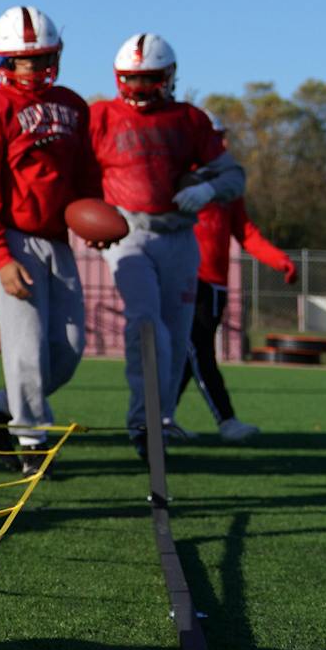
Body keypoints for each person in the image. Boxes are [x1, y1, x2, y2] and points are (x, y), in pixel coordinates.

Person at [89, 33, 245, 456]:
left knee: (176, 340)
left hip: (178, 236)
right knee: (146, 324)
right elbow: (72, 175)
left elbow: (233, 176)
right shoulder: (100, 116)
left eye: (150, 79)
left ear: (170, 77)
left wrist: (208, 190)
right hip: (127, 234)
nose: (139, 88)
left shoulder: (189, 119)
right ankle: (142, 423)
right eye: (131, 79)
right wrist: (88, 217)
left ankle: (161, 419)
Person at [0, 7, 101, 476]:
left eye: (42, 58)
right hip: (11, 238)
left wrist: (93, 218)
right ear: (4, 61)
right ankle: (31, 441)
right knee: (24, 344)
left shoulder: (73, 104)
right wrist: (0, 256)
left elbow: (84, 174)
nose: (35, 69)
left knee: (67, 350)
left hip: (56, 240)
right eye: (25, 60)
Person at [181, 197, 293, 440]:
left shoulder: (227, 189)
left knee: (190, 356)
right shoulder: (181, 175)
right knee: (198, 351)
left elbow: (247, 233)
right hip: (187, 281)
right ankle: (226, 419)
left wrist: (278, 259)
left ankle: (160, 419)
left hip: (214, 286)